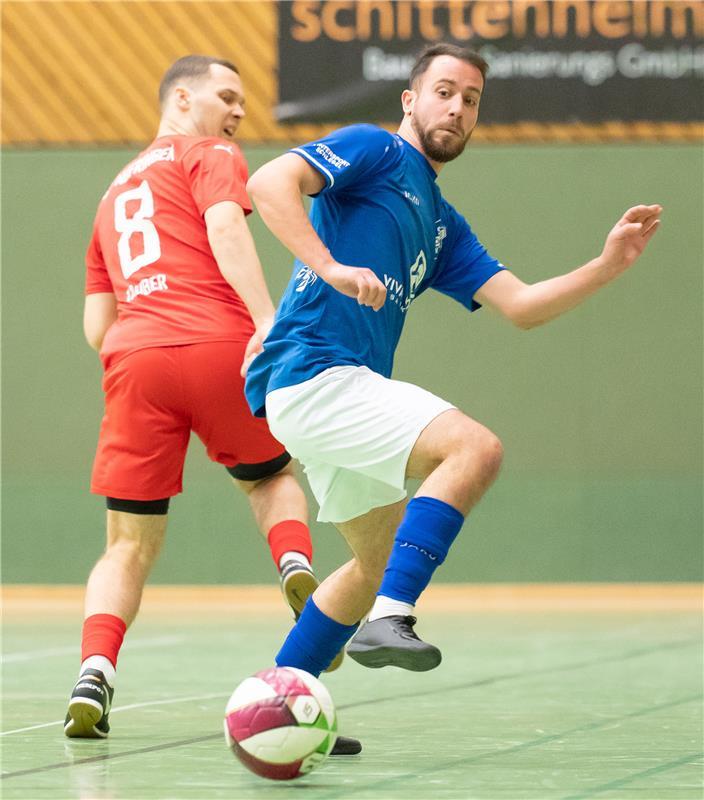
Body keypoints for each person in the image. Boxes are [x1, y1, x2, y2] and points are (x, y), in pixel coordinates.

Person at [243, 42, 662, 679]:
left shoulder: (441, 222)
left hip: (328, 393)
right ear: (410, 100)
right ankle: (392, 617)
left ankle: (275, 695)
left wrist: (606, 267)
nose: (458, 108)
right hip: (313, 371)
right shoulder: (374, 149)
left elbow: (521, 305)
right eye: (444, 92)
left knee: (372, 563)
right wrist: (329, 266)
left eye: (471, 100)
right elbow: (268, 181)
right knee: (474, 448)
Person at [63, 55, 354, 753]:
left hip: (135, 357)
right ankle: (292, 565)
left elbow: (95, 328)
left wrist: (142, 353)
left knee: (127, 544)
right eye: (227, 96)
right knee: (271, 476)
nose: (238, 111)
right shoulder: (210, 151)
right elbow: (226, 228)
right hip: (219, 344)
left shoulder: (111, 196)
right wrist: (264, 321)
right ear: (182, 98)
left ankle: (93, 674)